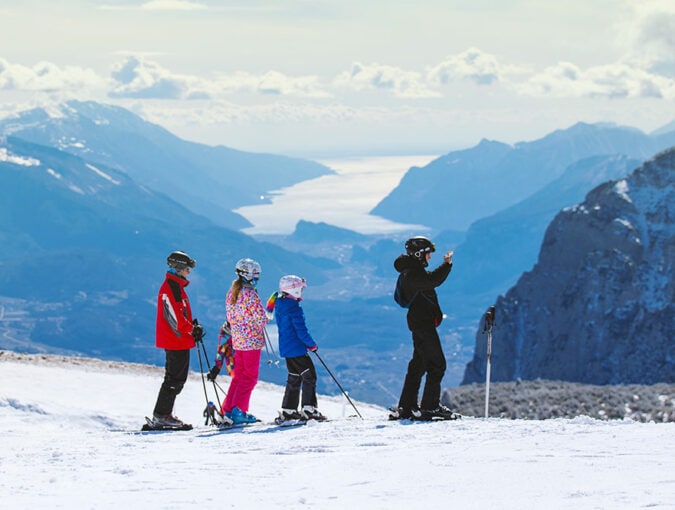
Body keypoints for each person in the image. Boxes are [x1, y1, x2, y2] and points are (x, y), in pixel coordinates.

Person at [391, 236, 456, 421]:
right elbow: (433, 280)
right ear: (419, 254)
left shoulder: (412, 270)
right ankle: (430, 408)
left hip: (419, 323)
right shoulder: (413, 273)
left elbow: (429, 280)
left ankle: (406, 406)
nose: (429, 258)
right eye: (428, 254)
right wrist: (447, 264)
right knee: (437, 365)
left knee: (418, 365)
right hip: (422, 324)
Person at [149, 250, 202, 429]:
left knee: (176, 378)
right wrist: (191, 329)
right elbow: (176, 318)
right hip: (175, 340)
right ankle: (162, 416)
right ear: (179, 268)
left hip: (178, 339)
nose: (189, 272)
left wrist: (191, 326)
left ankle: (164, 415)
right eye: (187, 269)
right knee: (174, 379)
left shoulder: (176, 286)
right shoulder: (171, 287)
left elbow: (180, 313)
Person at [266, 275, 326, 423]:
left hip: (287, 349)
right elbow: (301, 330)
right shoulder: (294, 308)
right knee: (310, 376)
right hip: (297, 349)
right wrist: (311, 345)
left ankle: (289, 410)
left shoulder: (280, 304)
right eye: (300, 289)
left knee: (294, 377)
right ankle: (308, 409)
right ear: (295, 290)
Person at [220, 258, 268, 424]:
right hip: (251, 341)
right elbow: (262, 318)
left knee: (239, 376)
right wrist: (269, 313)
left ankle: (228, 409)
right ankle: (239, 411)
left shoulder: (232, 292)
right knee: (249, 377)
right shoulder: (250, 294)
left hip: (238, 339)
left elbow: (229, 317)